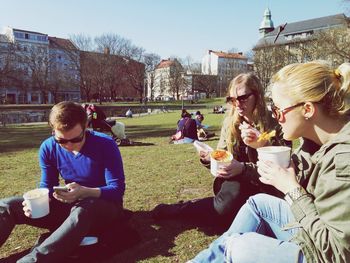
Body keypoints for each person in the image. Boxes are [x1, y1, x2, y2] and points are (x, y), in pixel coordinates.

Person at [189, 61, 350, 263]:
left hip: (327, 253)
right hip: (312, 226)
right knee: (257, 205)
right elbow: (279, 172)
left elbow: (337, 254)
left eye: (280, 110)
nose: (278, 117)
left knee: (237, 245)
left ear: (307, 109)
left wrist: (292, 190)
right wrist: (259, 148)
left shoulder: (344, 158)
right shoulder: (313, 142)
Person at [153, 73, 290, 231]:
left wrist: (261, 147)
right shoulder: (230, 123)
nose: (237, 104)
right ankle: (182, 209)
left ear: (257, 96)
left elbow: (283, 168)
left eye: (243, 98)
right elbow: (223, 157)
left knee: (244, 218)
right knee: (224, 209)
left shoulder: (277, 124)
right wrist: (210, 159)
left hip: (266, 184)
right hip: (235, 183)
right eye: (232, 99)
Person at [0, 101, 126, 262]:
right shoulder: (48, 147)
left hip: (105, 208)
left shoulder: (105, 144)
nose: (68, 145)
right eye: (61, 140)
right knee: (8, 205)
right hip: (70, 209)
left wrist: (85, 191)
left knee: (85, 207)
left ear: (86, 127)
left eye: (76, 139)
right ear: (53, 130)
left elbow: (117, 190)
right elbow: (47, 185)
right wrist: (39, 201)